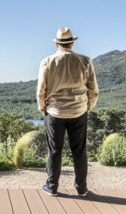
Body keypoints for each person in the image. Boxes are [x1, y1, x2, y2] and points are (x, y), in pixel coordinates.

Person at [36, 27, 99, 196]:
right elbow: (93, 90)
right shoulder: (85, 61)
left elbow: (41, 90)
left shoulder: (47, 62)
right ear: (72, 43)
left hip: (55, 112)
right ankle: (81, 188)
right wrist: (87, 108)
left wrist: (44, 109)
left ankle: (52, 186)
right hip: (78, 112)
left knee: (54, 150)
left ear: (57, 44)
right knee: (79, 151)